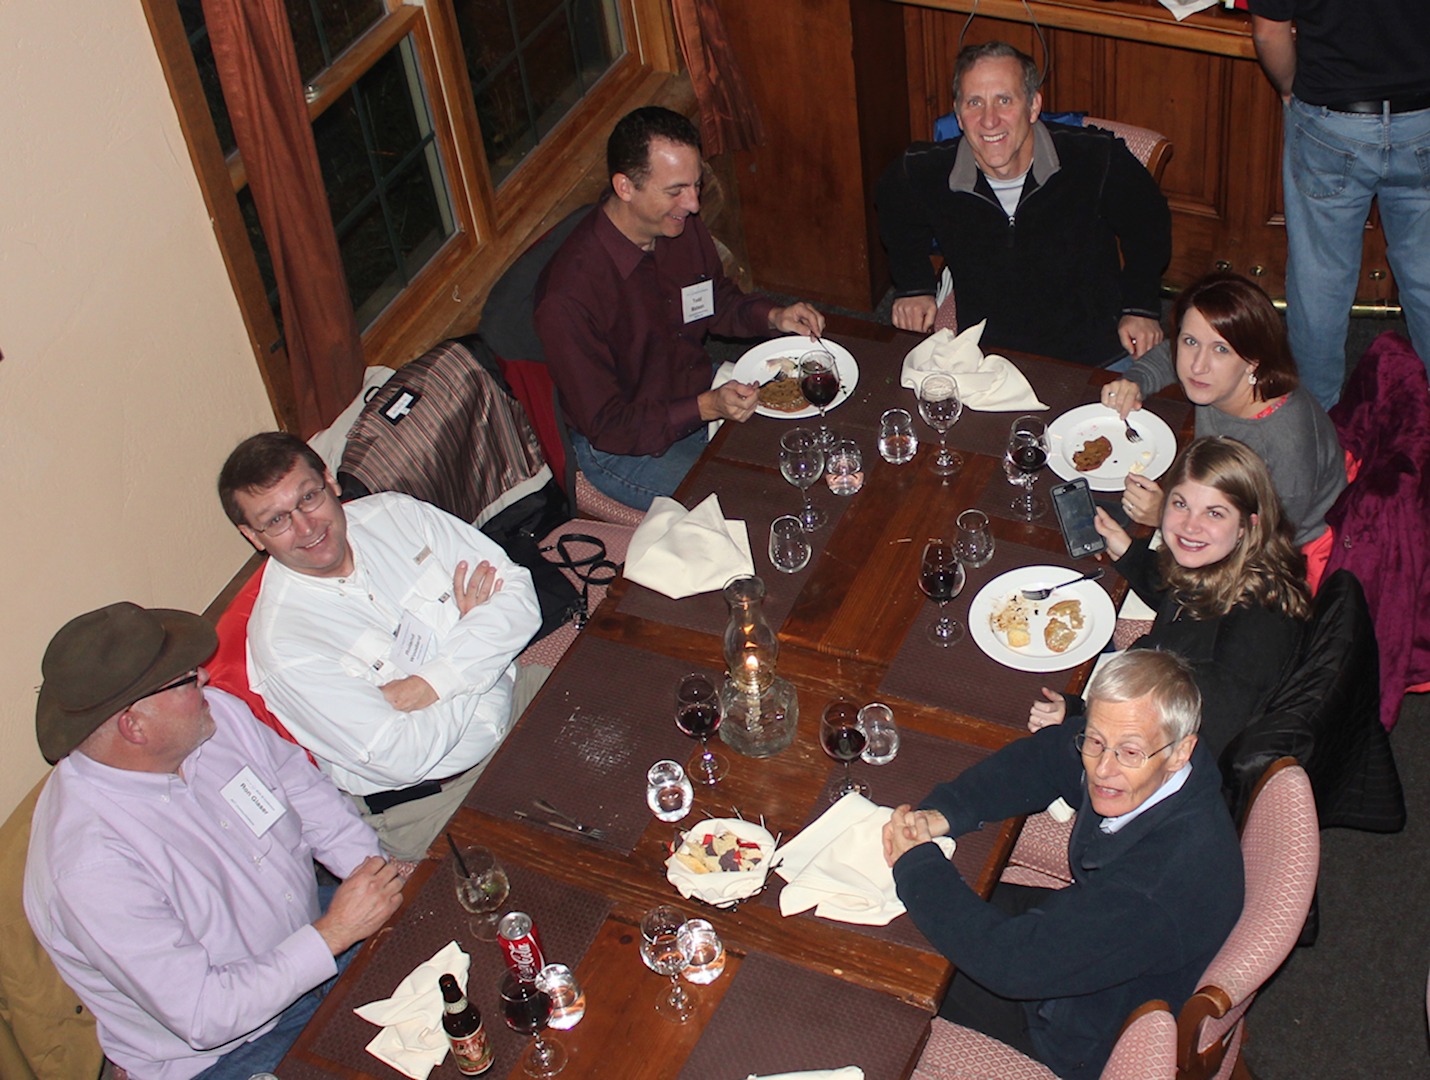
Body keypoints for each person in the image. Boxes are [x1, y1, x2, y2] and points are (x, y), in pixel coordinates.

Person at [24, 602, 402, 1080]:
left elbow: (310, 799)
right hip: (234, 1046)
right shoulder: (90, 867)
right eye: (185, 679)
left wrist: (375, 875)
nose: (204, 676)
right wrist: (335, 934)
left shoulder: (214, 717)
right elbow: (205, 1013)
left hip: (315, 930)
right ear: (134, 726)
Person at [885, 649, 1243, 1080]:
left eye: (1129, 752)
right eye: (1094, 741)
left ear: (1181, 751)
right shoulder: (1163, 759)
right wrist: (948, 811)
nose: (1103, 769)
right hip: (1084, 929)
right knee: (927, 902)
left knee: (892, 946)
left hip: (1081, 1026)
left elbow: (1013, 966)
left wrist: (916, 867)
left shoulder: (1156, 889)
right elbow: (1049, 757)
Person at [218, 432, 542, 862]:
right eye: (276, 520)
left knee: (628, 720)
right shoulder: (284, 647)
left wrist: (429, 684)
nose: (305, 527)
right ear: (253, 536)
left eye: (308, 498)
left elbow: (518, 595)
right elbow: (403, 757)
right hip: (436, 802)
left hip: (519, 699)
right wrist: (471, 640)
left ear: (330, 481)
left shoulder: (395, 516)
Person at [534, 106, 826, 511]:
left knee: (809, 450)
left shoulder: (677, 226)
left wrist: (773, 316)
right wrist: (706, 406)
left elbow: (714, 301)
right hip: (626, 448)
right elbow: (608, 425)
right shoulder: (568, 297)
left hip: (692, 389)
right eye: (676, 191)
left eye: (696, 185)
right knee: (756, 504)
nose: (692, 203)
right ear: (625, 187)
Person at [876, 41, 1172, 368]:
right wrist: (914, 285)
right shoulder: (926, 171)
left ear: (1033, 106)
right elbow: (895, 210)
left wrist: (1140, 308)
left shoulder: (1095, 157)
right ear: (958, 115)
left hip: (1094, 352)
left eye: (1004, 100)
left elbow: (1149, 224)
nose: (989, 120)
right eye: (975, 102)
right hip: (987, 355)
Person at [1029, 437, 1312, 761]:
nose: (1190, 526)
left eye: (1214, 513)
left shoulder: (1249, 643)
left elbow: (1172, 752)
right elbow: (1184, 596)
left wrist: (1081, 721)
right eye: (1180, 504)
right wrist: (1129, 553)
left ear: (1247, 526)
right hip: (1145, 700)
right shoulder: (1233, 569)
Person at [1248, 0, 1430, 408]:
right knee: (1426, 276)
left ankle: (1316, 420)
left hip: (1332, 113)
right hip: (1423, 115)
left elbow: (1269, 32)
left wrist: (1290, 88)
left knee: (1320, 281)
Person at [1102, 271, 1346, 548]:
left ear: (1254, 360)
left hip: (1272, 547)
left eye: (1221, 350)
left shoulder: (1286, 445)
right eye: (1191, 341)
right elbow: (1168, 355)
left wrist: (1169, 516)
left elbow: (1269, 542)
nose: (1197, 366)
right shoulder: (1218, 381)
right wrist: (1135, 382)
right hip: (1210, 495)